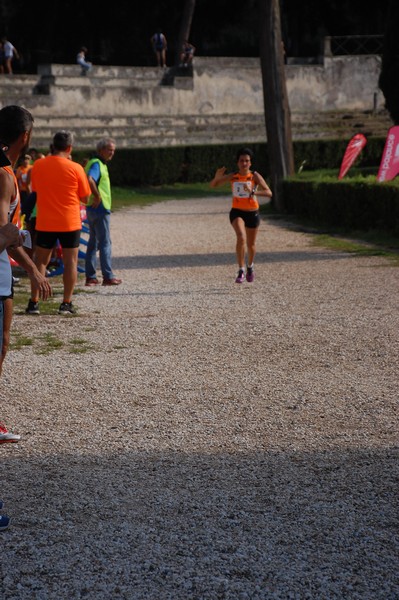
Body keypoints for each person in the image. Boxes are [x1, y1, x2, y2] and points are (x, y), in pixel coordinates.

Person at [0, 105, 52, 447]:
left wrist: (32, 267)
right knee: (0, 344)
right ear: (26, 136)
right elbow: (2, 230)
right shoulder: (4, 174)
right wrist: (30, 262)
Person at [27, 130, 91, 315]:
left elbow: (36, 189)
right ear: (69, 147)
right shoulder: (76, 168)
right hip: (69, 221)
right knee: (70, 261)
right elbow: (85, 198)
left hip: (46, 220)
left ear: (53, 145)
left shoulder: (38, 165)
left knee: (40, 262)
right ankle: (66, 303)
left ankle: (34, 302)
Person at [210, 147, 272, 283]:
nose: (244, 163)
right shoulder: (233, 176)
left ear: (250, 163)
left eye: (247, 161)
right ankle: (241, 270)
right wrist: (217, 177)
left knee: (251, 245)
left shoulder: (254, 176)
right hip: (237, 212)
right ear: (238, 162)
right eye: (241, 161)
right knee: (241, 237)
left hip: (252, 213)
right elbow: (213, 185)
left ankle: (250, 266)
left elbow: (269, 193)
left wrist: (254, 192)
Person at [84, 138, 122, 286]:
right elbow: (90, 179)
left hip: (92, 208)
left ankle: (91, 277)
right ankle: (108, 276)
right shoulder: (97, 164)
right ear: (101, 150)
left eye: (113, 150)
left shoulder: (96, 163)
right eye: (109, 149)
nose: (112, 152)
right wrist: (98, 195)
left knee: (93, 243)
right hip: (100, 208)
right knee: (105, 242)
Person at [15, 153, 32, 219]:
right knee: (24, 206)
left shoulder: (32, 168)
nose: (26, 161)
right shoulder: (20, 169)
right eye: (24, 159)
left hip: (31, 190)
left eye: (27, 159)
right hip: (23, 191)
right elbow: (17, 180)